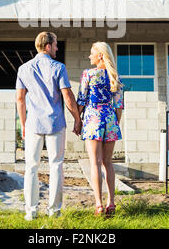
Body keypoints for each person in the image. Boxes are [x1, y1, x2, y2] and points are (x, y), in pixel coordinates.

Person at [16, 31, 81, 221]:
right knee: (56, 166)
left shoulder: (23, 68)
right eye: (55, 45)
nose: (57, 48)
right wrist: (77, 118)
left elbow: (20, 99)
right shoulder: (59, 67)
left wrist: (23, 124)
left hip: (33, 123)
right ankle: (54, 211)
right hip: (55, 123)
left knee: (31, 167)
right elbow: (68, 97)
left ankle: (31, 211)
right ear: (47, 46)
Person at [77, 42, 124, 217]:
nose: (89, 56)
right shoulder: (115, 76)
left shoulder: (88, 74)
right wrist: (114, 123)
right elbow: (119, 105)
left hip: (92, 119)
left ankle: (98, 204)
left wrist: (77, 120)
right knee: (108, 163)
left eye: (92, 53)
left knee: (95, 163)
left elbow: (81, 101)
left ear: (100, 56)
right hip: (110, 119)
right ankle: (111, 203)